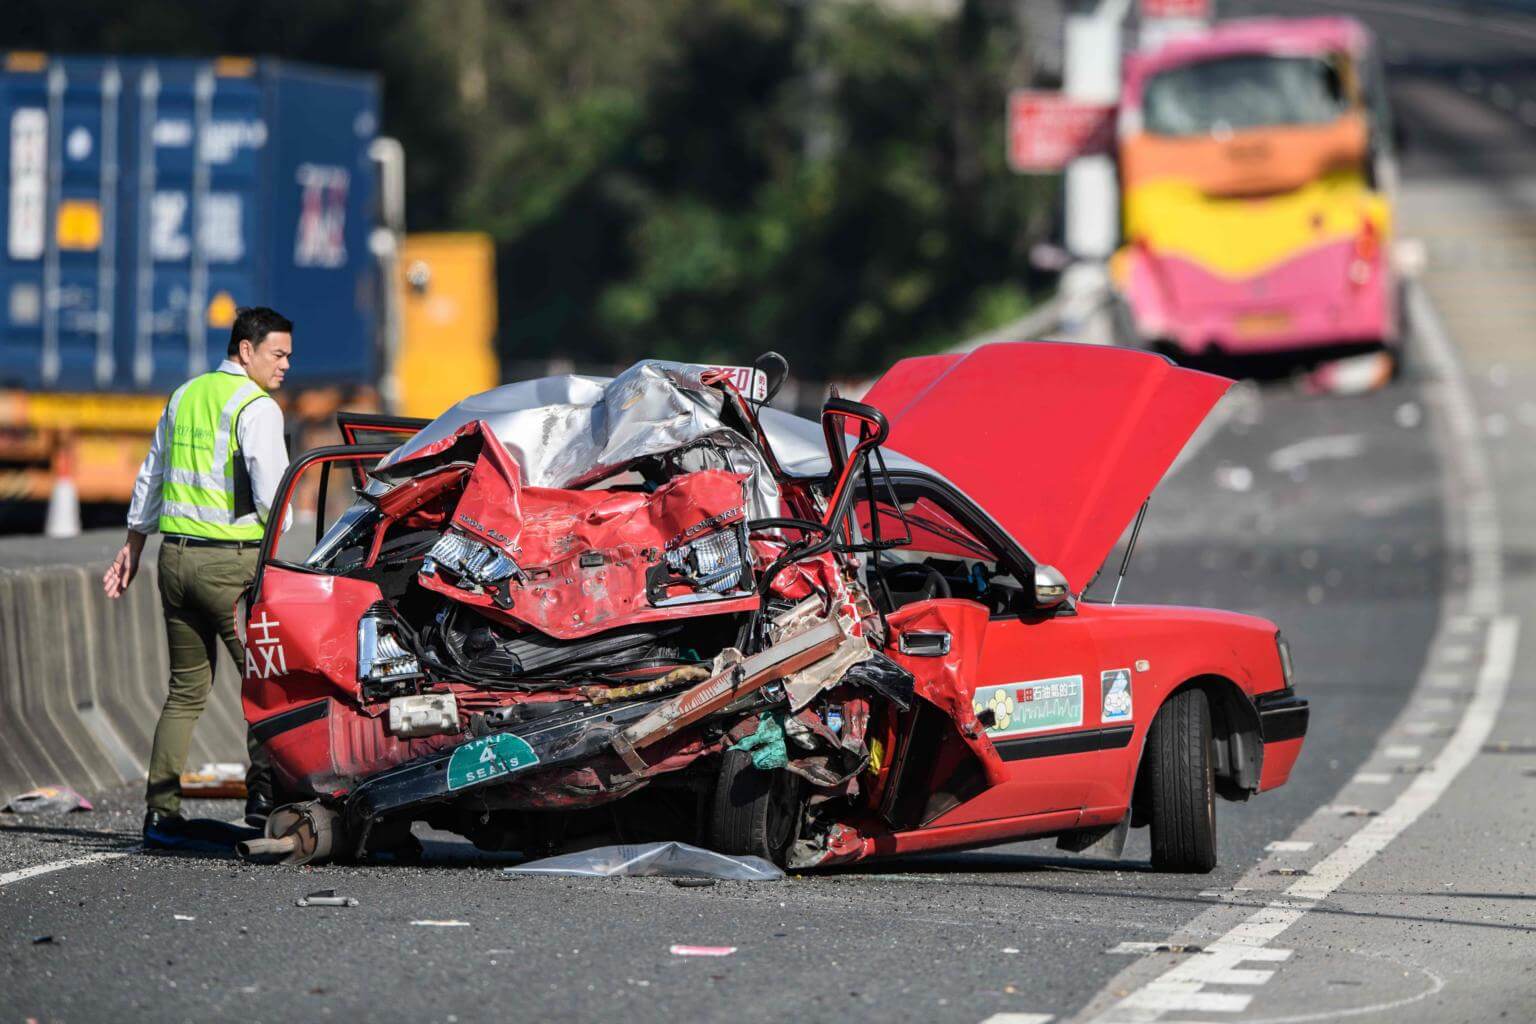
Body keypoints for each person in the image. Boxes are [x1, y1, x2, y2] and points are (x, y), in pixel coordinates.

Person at [103, 306, 293, 848]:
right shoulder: (257, 408)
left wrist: (132, 546)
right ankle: (264, 799)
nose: (285, 366)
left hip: (175, 561)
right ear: (246, 350)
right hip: (231, 568)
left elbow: (152, 475)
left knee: (185, 692)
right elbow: (275, 499)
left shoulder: (183, 395)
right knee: (268, 686)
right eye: (278, 354)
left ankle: (160, 814)